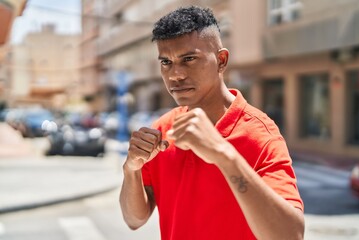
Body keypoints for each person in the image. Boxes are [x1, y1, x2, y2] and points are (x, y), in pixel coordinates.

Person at [120, 5, 304, 240]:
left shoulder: (260, 133)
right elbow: (134, 220)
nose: (175, 74)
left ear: (221, 60)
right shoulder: (162, 129)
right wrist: (131, 169)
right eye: (166, 62)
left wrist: (223, 154)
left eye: (189, 59)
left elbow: (291, 236)